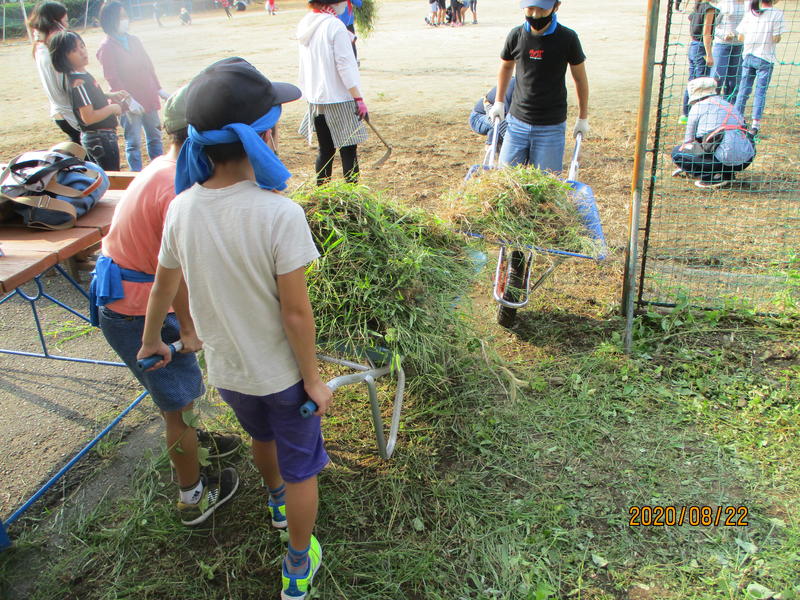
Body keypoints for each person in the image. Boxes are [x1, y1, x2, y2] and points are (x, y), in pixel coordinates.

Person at [136, 57, 331, 600]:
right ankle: (298, 565)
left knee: (261, 438)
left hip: (229, 373)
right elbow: (296, 314)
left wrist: (151, 340)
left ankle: (274, 501)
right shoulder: (279, 214)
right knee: (303, 467)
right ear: (264, 136)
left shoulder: (181, 208)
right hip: (283, 377)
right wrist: (314, 380)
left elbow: (163, 287)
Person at [91, 86, 242, 526]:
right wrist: (190, 330)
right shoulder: (175, 188)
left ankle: (193, 438)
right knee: (177, 410)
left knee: (179, 399)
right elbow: (172, 275)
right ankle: (193, 496)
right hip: (141, 313)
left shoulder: (162, 165)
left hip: (121, 297)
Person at [487, 0, 589, 174]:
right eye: (530, 8)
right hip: (516, 123)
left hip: (551, 127)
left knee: (546, 182)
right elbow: (506, 67)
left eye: (542, 9)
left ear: (556, 6)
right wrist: (499, 102)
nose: (535, 15)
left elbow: (580, 79)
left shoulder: (567, 38)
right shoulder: (516, 35)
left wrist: (582, 118)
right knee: (507, 178)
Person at [298, 0, 369, 185]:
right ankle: (352, 194)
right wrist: (358, 98)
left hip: (316, 97)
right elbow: (344, 65)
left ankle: (322, 192)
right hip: (339, 97)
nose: (345, 4)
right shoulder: (335, 25)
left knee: (326, 150)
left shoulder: (307, 22)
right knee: (348, 149)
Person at [97, 1, 169, 172]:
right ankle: (136, 175)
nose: (125, 19)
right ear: (110, 19)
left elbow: (148, 66)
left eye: (125, 15)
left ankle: (158, 172)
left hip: (148, 96)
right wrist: (128, 100)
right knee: (133, 143)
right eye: (121, 16)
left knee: (155, 138)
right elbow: (112, 78)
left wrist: (158, 88)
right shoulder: (106, 47)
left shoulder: (134, 40)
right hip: (129, 103)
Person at [49, 30, 124, 171]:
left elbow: (89, 99)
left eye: (82, 46)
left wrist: (108, 96)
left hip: (99, 137)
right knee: (111, 176)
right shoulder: (79, 83)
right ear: (63, 58)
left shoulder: (82, 76)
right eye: (74, 50)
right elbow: (88, 117)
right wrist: (112, 108)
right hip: (100, 137)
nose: (82, 52)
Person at [671, 76, 755, 188]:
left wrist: (688, 163)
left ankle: (711, 177)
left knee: (677, 153)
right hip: (745, 160)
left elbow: (688, 141)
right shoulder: (728, 104)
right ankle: (726, 174)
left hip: (721, 158)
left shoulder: (697, 108)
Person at [28, 2, 81, 144]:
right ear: (55, 22)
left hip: (60, 112)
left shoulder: (40, 47)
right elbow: (71, 87)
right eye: (65, 21)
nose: (66, 26)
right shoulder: (54, 50)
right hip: (70, 114)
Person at [734, 0, 787, 136]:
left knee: (743, 90)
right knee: (760, 92)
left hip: (748, 55)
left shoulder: (751, 13)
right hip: (765, 57)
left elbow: (740, 36)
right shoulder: (777, 14)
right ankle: (755, 125)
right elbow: (776, 38)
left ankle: (737, 120)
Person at [680, 0, 718, 122]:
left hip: (693, 46)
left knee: (692, 81)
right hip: (701, 48)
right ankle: (696, 114)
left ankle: (685, 114)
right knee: (701, 83)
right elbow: (706, 33)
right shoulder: (709, 9)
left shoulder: (698, 6)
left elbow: (691, 20)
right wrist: (709, 54)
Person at [711, 0, 746, 103]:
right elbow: (712, 26)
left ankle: (730, 107)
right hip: (722, 45)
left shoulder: (749, 4)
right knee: (717, 77)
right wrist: (723, 35)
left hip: (739, 46)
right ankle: (713, 104)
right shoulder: (723, 3)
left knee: (734, 81)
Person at [469, 77, 516, 148]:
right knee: (501, 126)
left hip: (495, 113)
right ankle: (491, 148)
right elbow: (504, 126)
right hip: (478, 117)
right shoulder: (513, 88)